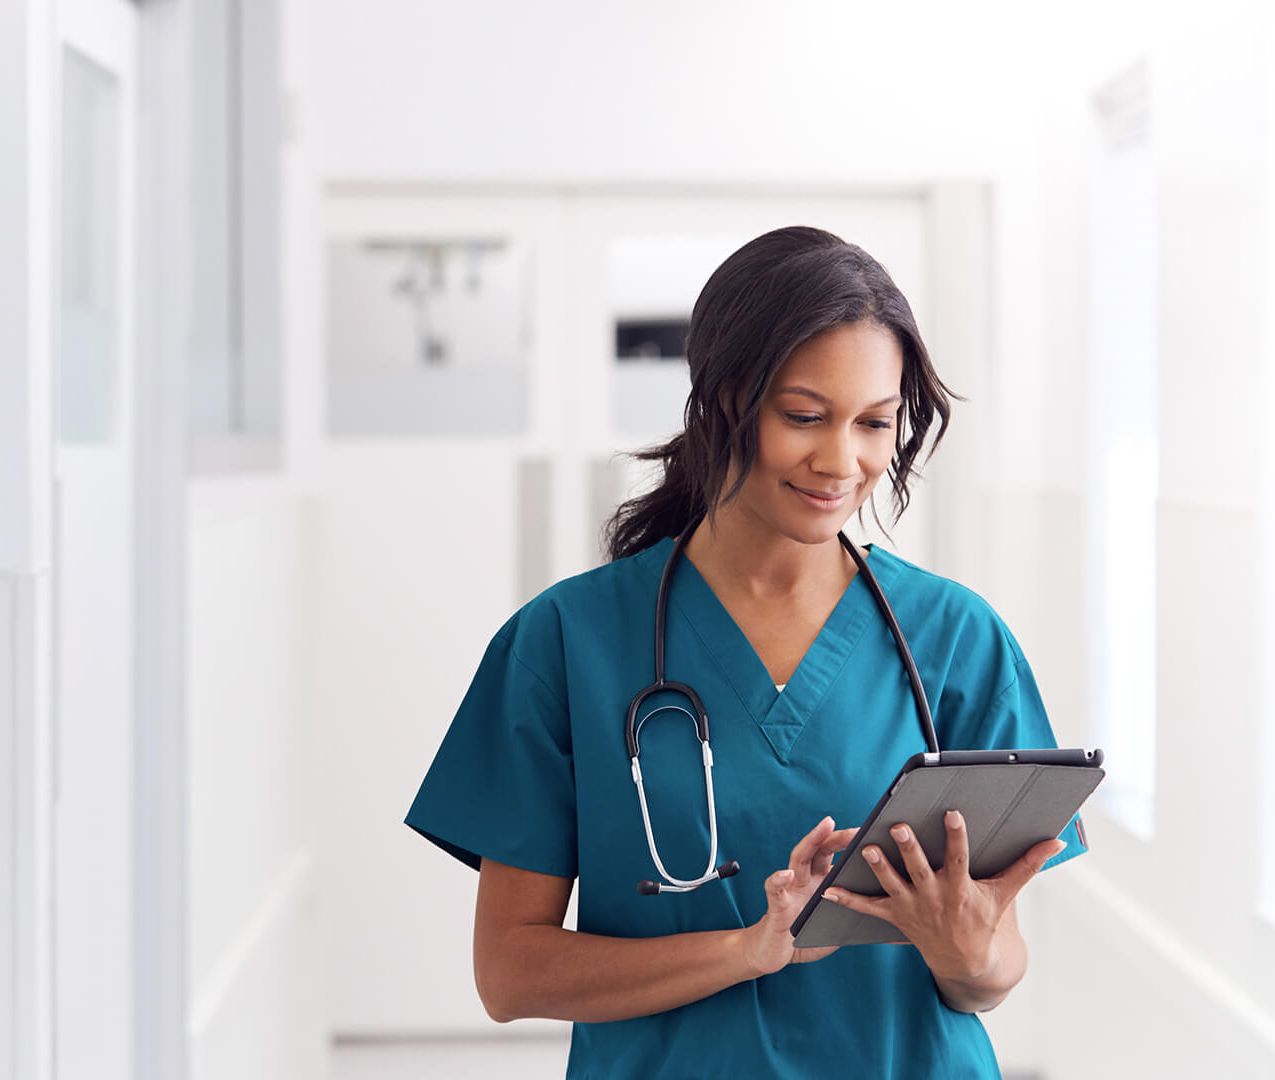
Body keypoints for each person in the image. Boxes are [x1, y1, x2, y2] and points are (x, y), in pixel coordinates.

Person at [403, 225, 1089, 1078]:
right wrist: (748, 949)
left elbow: (992, 975)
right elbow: (508, 973)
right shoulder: (566, 643)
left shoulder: (954, 641)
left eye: (875, 424)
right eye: (805, 416)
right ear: (725, 398)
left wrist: (966, 951)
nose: (842, 461)